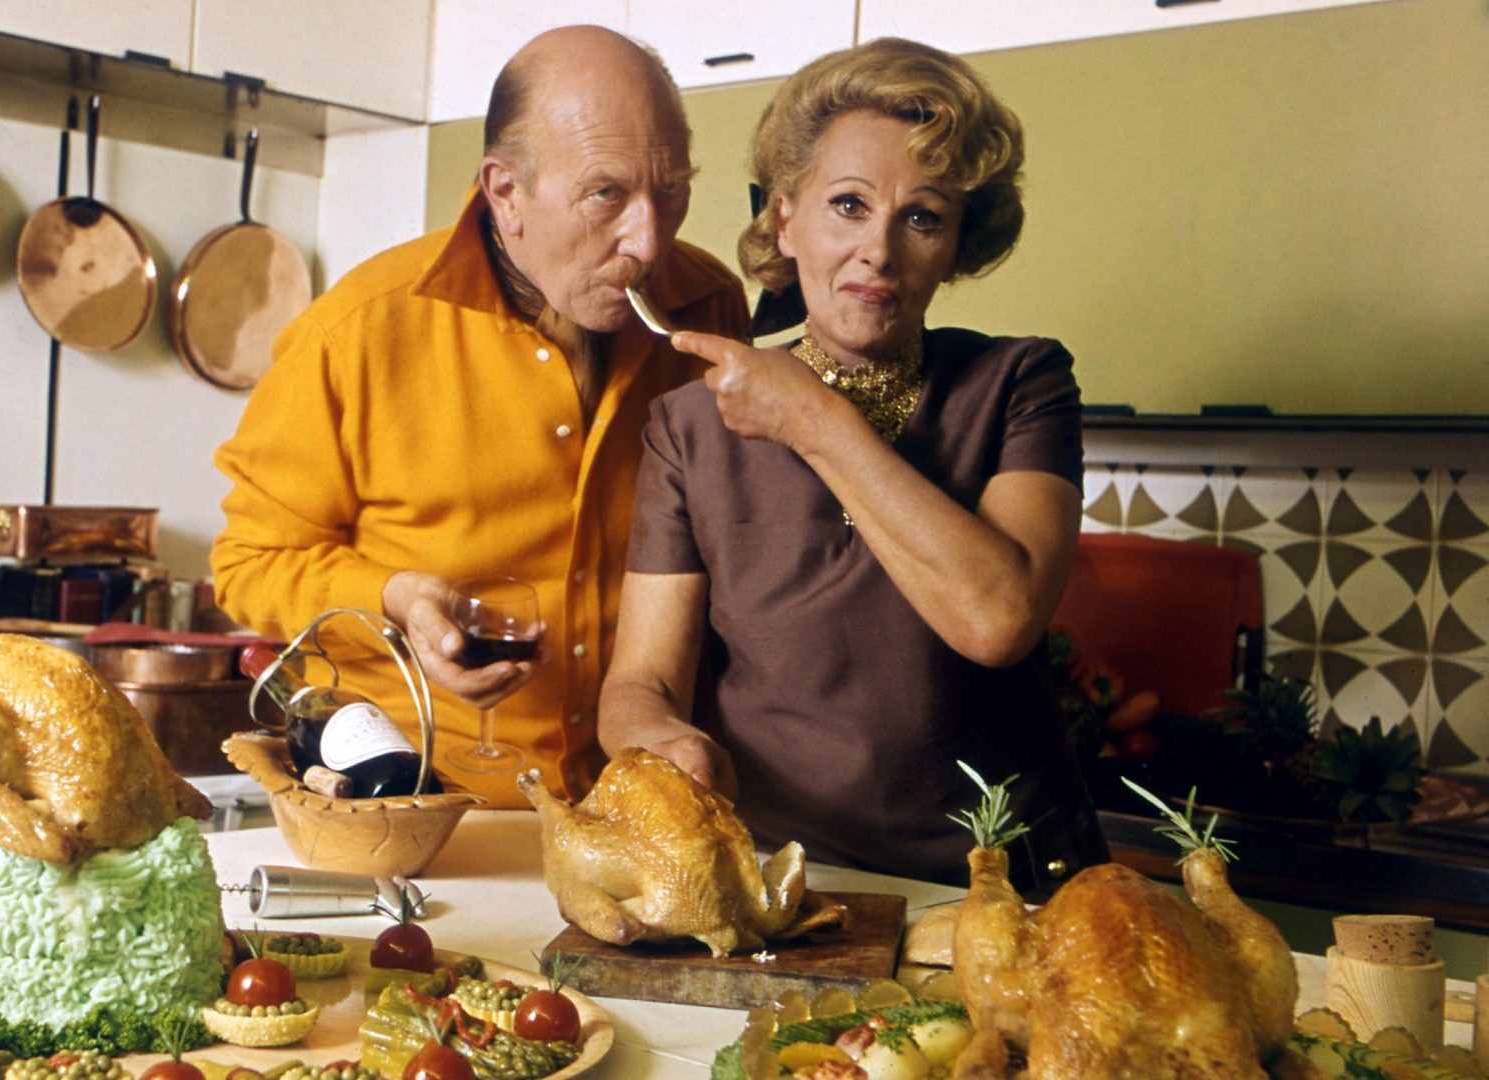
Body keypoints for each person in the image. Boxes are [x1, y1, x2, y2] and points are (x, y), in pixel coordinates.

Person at [598, 38, 1107, 890]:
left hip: (1004, 880)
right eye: (847, 206)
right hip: (789, 881)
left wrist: (813, 419)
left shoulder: (1021, 380)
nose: (879, 251)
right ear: (785, 219)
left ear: (956, 245)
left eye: (922, 217)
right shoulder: (689, 426)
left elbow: (999, 618)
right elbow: (640, 681)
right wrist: (664, 739)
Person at [212, 26, 750, 805]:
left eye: (670, 192)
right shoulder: (359, 329)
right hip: (419, 806)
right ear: (506, 193)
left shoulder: (709, 304)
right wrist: (393, 596)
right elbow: (249, 563)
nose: (650, 240)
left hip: (643, 811)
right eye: (607, 194)